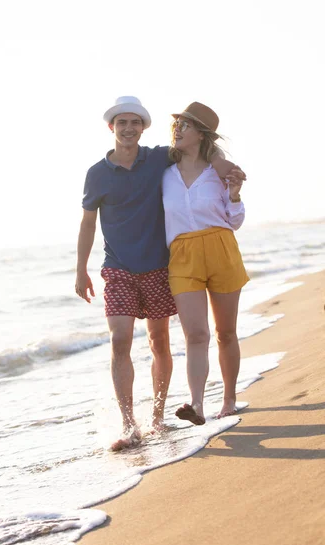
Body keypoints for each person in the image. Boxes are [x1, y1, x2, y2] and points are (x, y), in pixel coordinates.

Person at [75, 96, 245, 450]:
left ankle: (159, 417)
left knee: (164, 341)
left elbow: (206, 154)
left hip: (161, 264)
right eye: (122, 123)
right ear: (112, 127)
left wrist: (224, 166)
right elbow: (88, 223)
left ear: (143, 127)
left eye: (135, 123)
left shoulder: (158, 159)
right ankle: (130, 424)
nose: (128, 128)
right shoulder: (103, 173)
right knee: (121, 339)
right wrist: (81, 269)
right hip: (123, 266)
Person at [162, 101, 249, 426]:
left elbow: (234, 220)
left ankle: (229, 399)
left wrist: (236, 194)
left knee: (225, 332)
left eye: (185, 125)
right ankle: (197, 405)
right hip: (182, 256)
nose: (178, 130)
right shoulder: (164, 174)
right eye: (177, 125)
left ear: (201, 134)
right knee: (195, 335)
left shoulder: (219, 172)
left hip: (221, 248)